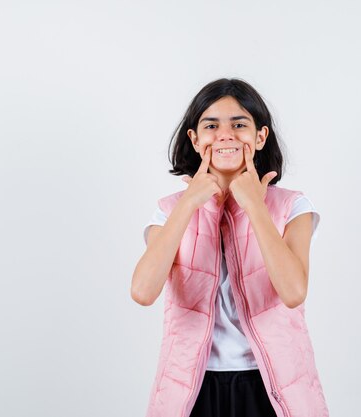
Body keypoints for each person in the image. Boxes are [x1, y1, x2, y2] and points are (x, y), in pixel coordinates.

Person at [131, 78, 329, 417]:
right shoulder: (168, 211)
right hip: (192, 391)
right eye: (211, 125)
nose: (225, 135)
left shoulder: (292, 206)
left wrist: (254, 204)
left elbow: (294, 291)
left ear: (260, 136)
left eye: (239, 124)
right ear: (194, 139)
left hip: (271, 389)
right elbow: (143, 291)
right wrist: (189, 203)